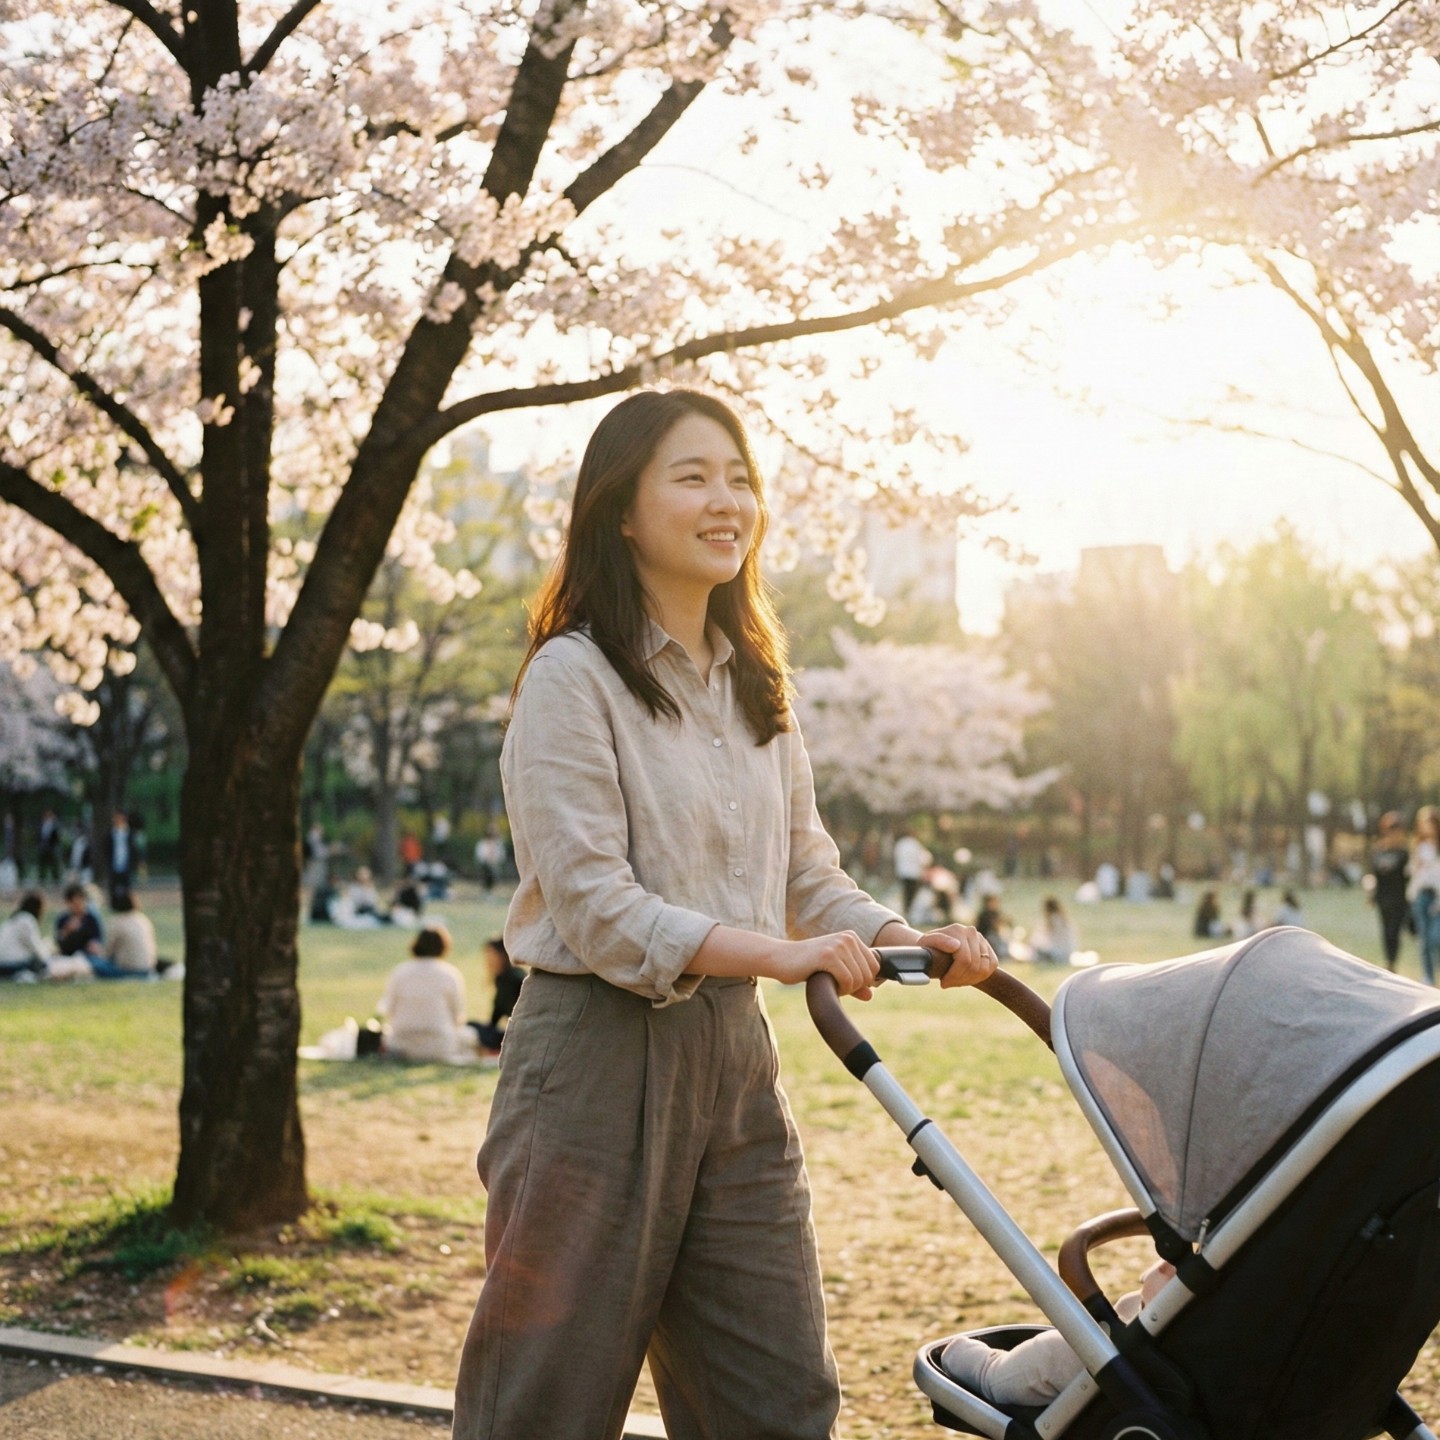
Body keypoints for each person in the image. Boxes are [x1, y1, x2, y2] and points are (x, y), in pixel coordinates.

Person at [450, 388, 998, 1440]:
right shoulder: (573, 678)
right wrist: (784, 955)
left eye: (740, 478)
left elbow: (808, 873)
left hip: (733, 1065)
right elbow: (597, 905)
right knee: (544, 1407)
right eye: (692, 476)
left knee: (779, 1397)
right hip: (591, 1068)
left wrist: (898, 936)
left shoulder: (759, 685)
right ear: (620, 509)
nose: (726, 501)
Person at [940, 1259, 1176, 1406]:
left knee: (1055, 1354)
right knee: (1127, 1308)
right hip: (1172, 1339)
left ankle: (986, 1372)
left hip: (1141, 1361)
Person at [376, 922, 475, 1062]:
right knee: (470, 1035)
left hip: (401, 1045)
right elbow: (457, 1016)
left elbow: (388, 1008)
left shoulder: (400, 971)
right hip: (440, 1046)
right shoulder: (449, 974)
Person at [469, 937, 525, 1053]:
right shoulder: (502, 978)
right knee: (472, 1026)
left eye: (491, 954)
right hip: (515, 1032)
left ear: (502, 955)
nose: (488, 959)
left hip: (521, 1034)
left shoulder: (511, 978)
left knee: (472, 1028)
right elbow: (495, 1017)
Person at [1369, 811, 1410, 971]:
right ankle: (1389, 962)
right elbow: (1376, 876)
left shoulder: (1404, 853)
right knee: (1385, 931)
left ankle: (1393, 961)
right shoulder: (1380, 851)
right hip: (1383, 898)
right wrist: (1372, 895)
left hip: (1399, 898)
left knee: (1394, 931)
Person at [90, 890, 158, 979]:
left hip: (127, 971)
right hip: (148, 970)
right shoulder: (143, 919)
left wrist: (96, 951)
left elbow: (107, 953)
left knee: (92, 962)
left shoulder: (117, 921)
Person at [1410, 806, 1440, 986]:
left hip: (1437, 895)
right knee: (1424, 939)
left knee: (1435, 937)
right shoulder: (1419, 847)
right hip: (1421, 895)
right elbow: (1412, 873)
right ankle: (1428, 977)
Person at [0, 891, 51, 981]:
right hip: (12, 965)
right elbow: (36, 948)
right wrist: (49, 957)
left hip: (3, 963)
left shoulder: (13, 919)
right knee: (41, 964)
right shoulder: (27, 920)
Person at [55, 883, 105, 961]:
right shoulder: (63, 919)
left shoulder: (92, 918)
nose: (79, 906)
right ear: (69, 903)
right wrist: (67, 930)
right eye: (75, 904)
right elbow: (58, 942)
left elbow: (99, 939)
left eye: (81, 902)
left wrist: (95, 945)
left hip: (88, 956)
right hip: (67, 955)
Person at [893, 828, 932, 914]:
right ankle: (908, 910)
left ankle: (905, 910)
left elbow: (896, 857)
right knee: (911, 893)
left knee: (905, 892)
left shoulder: (901, 844)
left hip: (903, 872)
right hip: (913, 873)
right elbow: (922, 859)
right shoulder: (915, 844)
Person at [1030, 896, 1076, 964]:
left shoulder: (1053, 920)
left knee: (1036, 948)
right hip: (1067, 954)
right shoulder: (1063, 919)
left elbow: (1046, 941)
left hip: (1059, 954)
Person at [104, 810, 134, 905]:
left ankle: (126, 903)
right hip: (114, 863)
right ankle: (113, 903)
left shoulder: (129, 833)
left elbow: (133, 849)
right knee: (113, 885)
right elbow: (106, 849)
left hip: (126, 863)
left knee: (126, 886)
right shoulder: (110, 833)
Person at [36, 810, 62, 884]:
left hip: (51, 848)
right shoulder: (42, 825)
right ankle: (42, 879)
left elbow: (57, 838)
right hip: (43, 848)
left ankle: (56, 879)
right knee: (42, 864)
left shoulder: (54, 826)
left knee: (53, 864)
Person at [474, 830, 504, 895]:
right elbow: (480, 856)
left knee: (493, 871)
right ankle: (486, 890)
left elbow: (501, 856)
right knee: (488, 870)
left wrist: (494, 861)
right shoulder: (482, 844)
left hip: (495, 864)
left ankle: (490, 890)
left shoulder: (497, 845)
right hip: (484, 865)